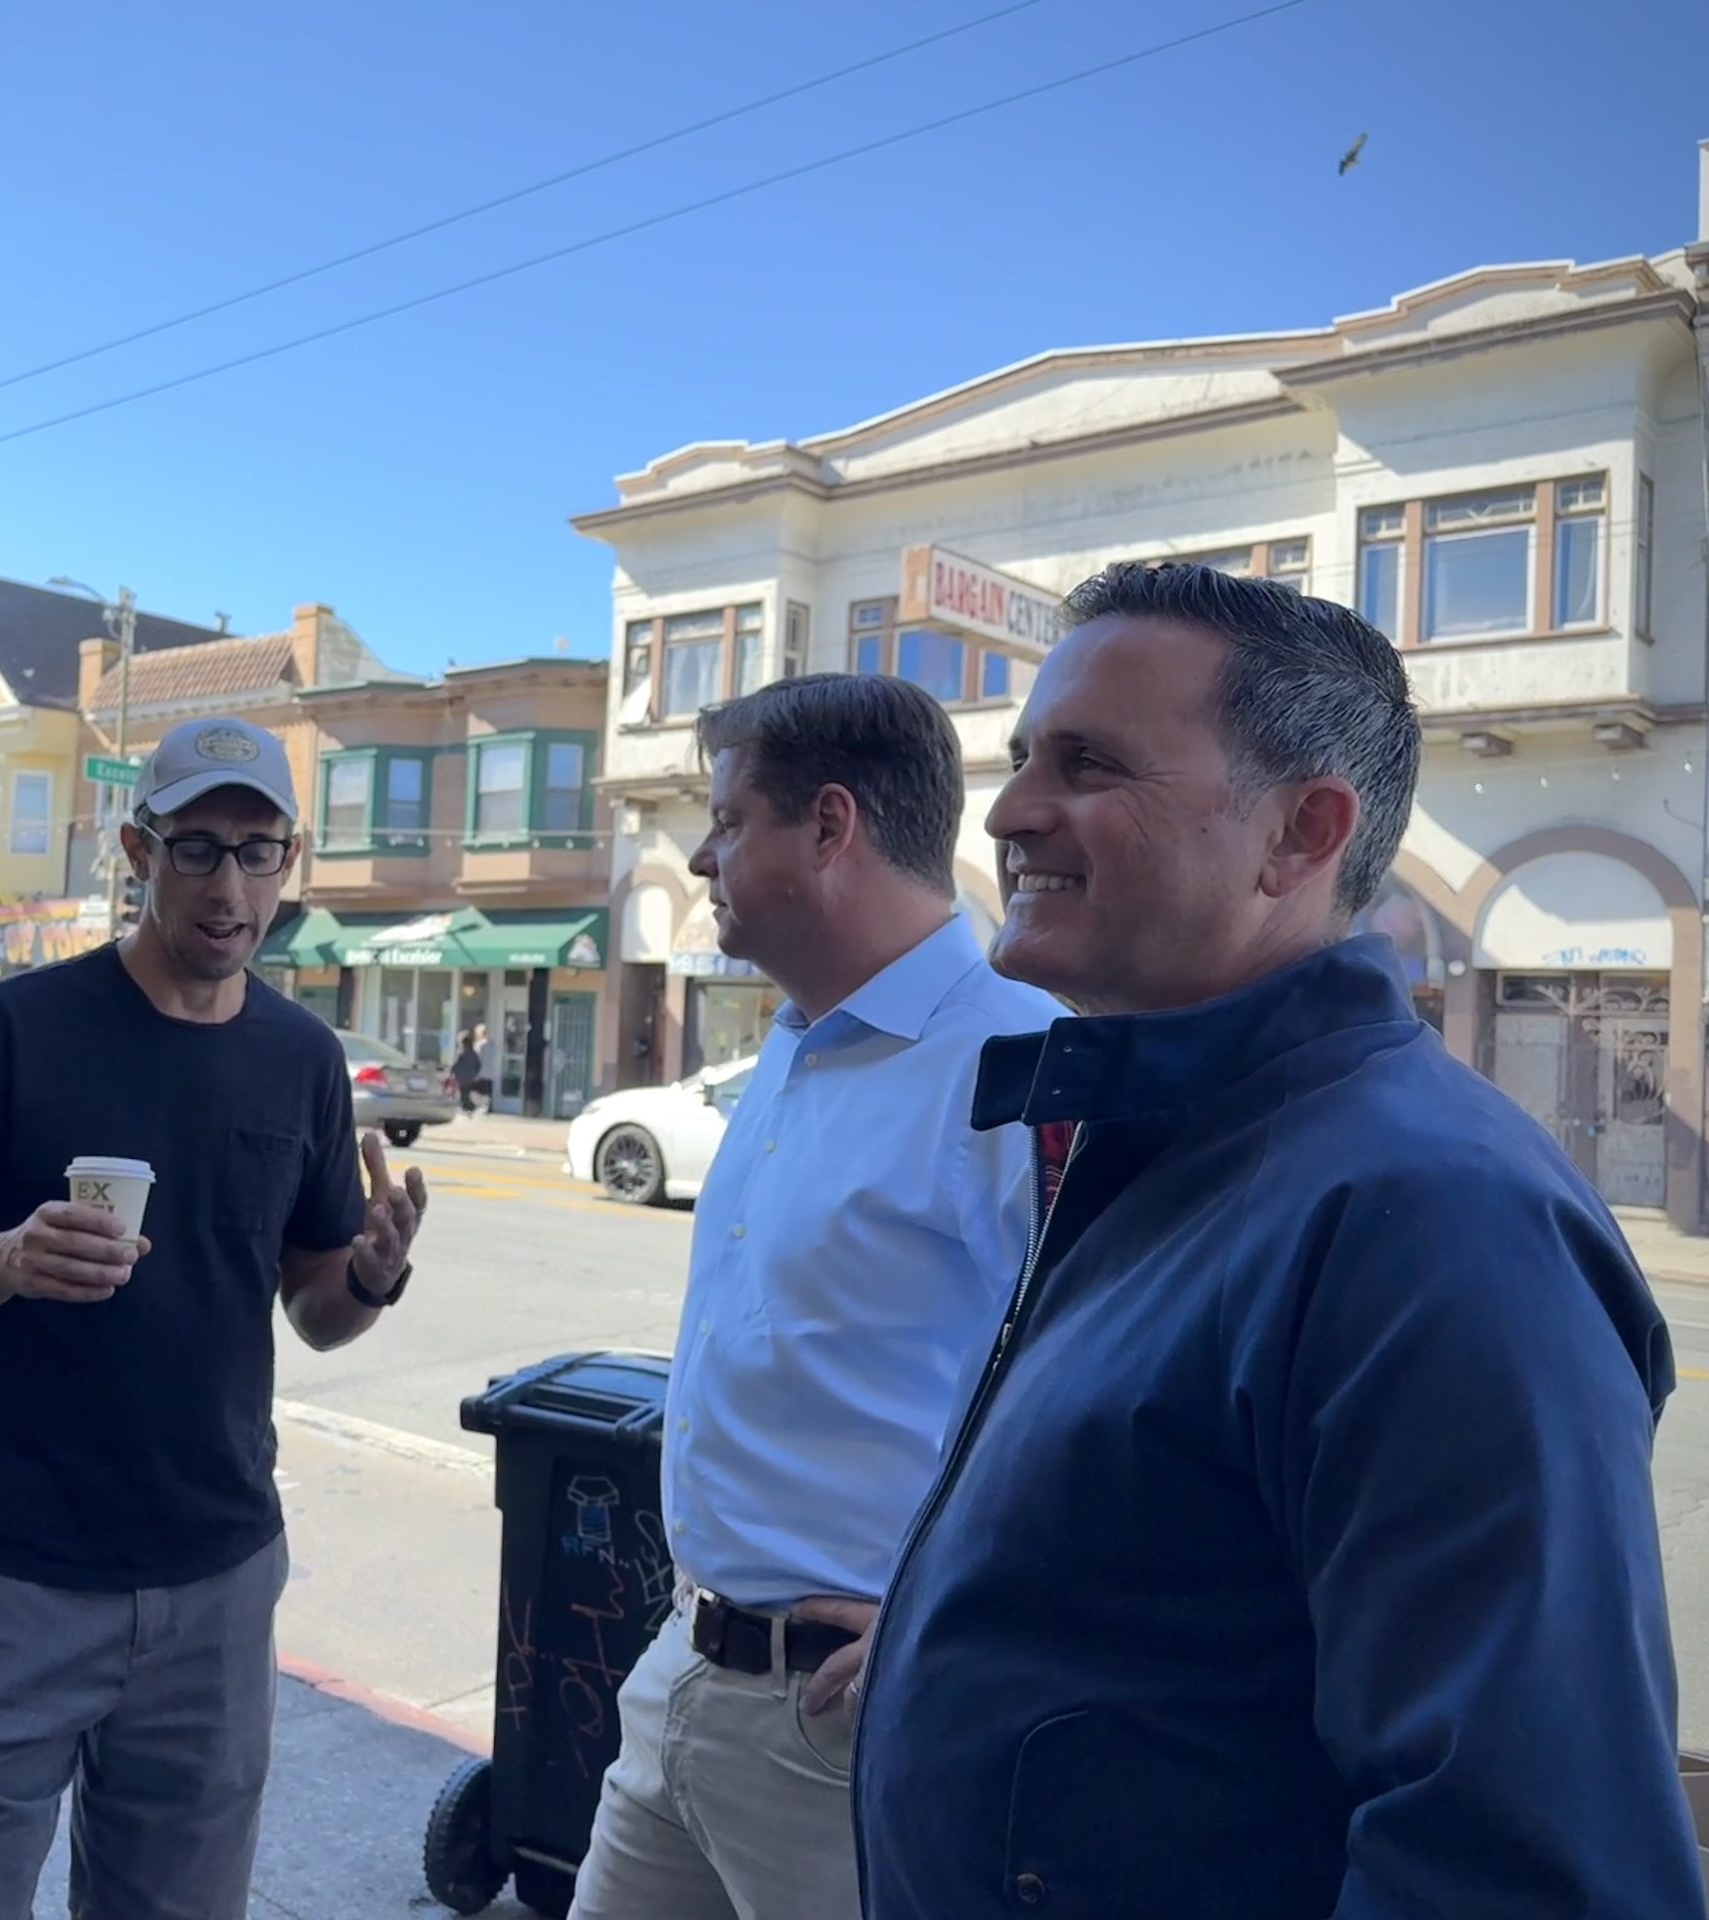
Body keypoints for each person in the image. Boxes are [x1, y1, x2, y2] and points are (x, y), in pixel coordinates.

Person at [852, 563, 1704, 1915]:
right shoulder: (1167, 1145)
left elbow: (1520, 1868)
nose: (1010, 813)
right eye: (1020, 760)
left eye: (1087, 764)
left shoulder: (1432, 1221)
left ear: (1301, 836)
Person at [0, 714, 430, 1920]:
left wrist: (372, 1277)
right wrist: (9, 1261)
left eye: (258, 851)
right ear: (137, 850)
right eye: (197, 849)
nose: (230, 888)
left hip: (215, 1591)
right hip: (5, 1582)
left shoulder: (300, 1060)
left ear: (292, 861)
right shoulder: (12, 1033)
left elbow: (315, 1311)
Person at [567, 675, 1061, 1919]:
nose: (698, 853)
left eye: (729, 819)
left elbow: (1110, 1415)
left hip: (848, 1724)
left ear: (829, 827)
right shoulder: (793, 1039)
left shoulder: (1027, 1062)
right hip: (683, 1672)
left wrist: (962, 1635)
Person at [454, 1024, 485, 1113]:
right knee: (465, 1092)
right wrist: (475, 1074)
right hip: (470, 1077)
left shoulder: (463, 1055)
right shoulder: (474, 1055)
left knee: (464, 1092)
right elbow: (479, 1065)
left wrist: (453, 1072)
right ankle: (468, 1106)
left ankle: (468, 1107)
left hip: (463, 1077)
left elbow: (457, 1065)